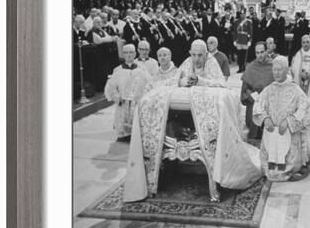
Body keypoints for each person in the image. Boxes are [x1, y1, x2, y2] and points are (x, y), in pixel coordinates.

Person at [123, 39, 262, 202]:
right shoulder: (187, 62)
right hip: (183, 109)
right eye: (194, 55)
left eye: (200, 56)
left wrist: (200, 81)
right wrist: (183, 82)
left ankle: (211, 159)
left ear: (206, 54)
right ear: (190, 53)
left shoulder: (211, 63)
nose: (196, 59)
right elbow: (174, 79)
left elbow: (221, 84)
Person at [253, 56, 310, 181]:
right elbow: (258, 105)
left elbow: (305, 109)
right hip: (271, 133)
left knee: (288, 158)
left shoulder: (295, 89)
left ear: (286, 70)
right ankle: (270, 167)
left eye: (279, 70)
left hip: (288, 134)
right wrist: (265, 119)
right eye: (274, 70)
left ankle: (289, 168)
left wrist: (289, 121)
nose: (276, 73)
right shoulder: (269, 89)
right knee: (269, 162)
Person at [104, 44, 149, 141]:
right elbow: (111, 87)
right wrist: (117, 98)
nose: (129, 55)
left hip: (136, 103)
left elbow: (148, 85)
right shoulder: (118, 70)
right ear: (123, 55)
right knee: (122, 124)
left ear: (135, 54)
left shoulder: (142, 69)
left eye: (131, 52)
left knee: (137, 125)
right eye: (126, 52)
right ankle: (123, 135)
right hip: (123, 103)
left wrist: (142, 98)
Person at [240, 41, 274, 140]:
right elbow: (244, 90)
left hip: (270, 101)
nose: (260, 55)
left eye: (262, 52)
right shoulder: (251, 67)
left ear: (266, 51)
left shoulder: (273, 66)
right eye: (257, 53)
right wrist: (254, 96)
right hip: (254, 101)